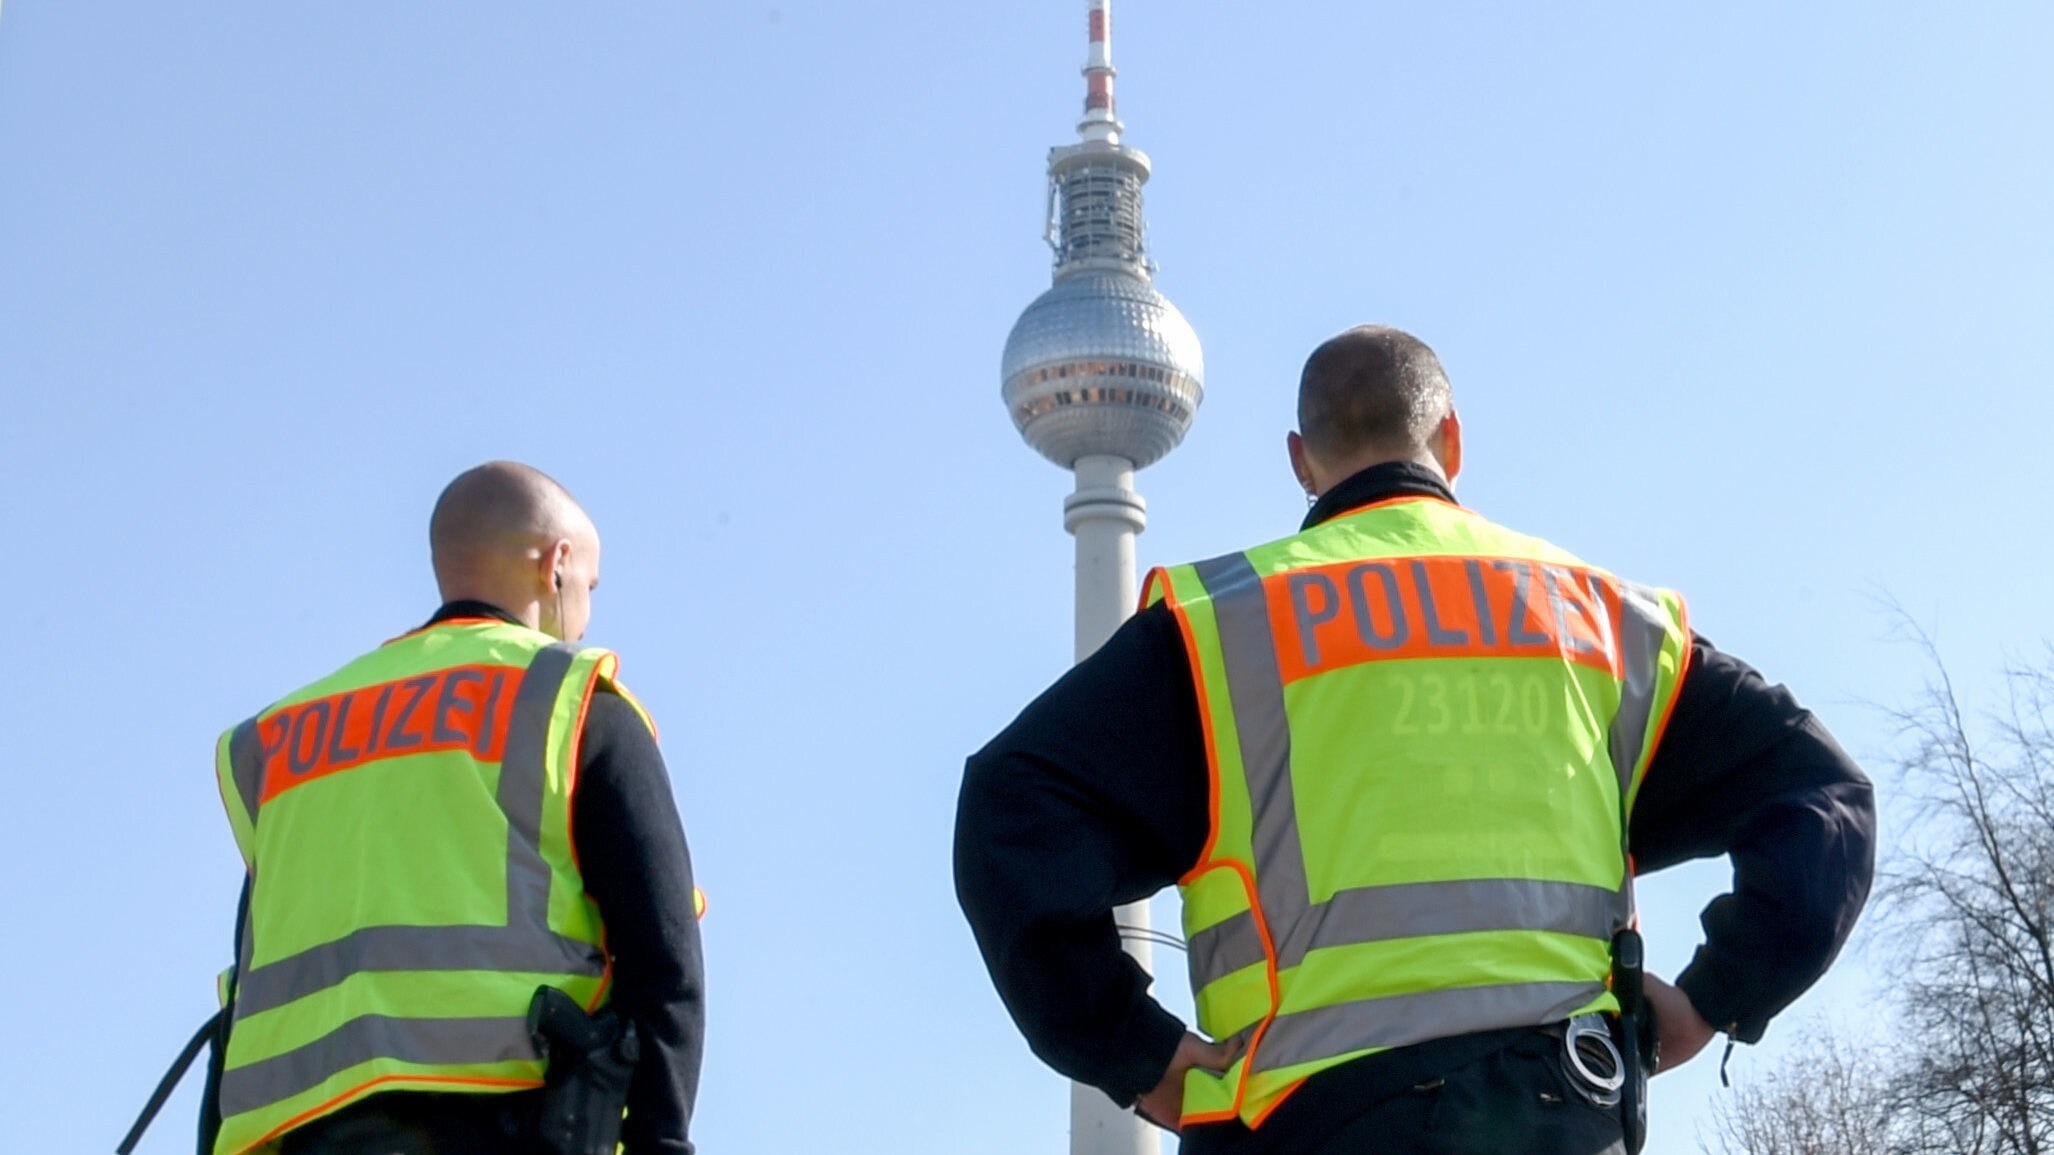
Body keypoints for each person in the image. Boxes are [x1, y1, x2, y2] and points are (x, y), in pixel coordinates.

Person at [954, 326, 1875, 1154]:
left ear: (1302, 463)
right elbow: (1822, 796)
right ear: (1453, 442)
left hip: (1302, 1127)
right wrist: (1718, 991)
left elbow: (1011, 812)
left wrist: (1140, 1053)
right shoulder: (1601, 623)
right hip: (1557, 1111)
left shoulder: (1221, 633)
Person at [201, 461, 703, 1155]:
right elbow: (665, 964)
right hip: (513, 1132)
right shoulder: (570, 705)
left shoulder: (284, 739)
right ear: (555, 565)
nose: (586, 615)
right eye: (589, 585)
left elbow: (246, 1000)